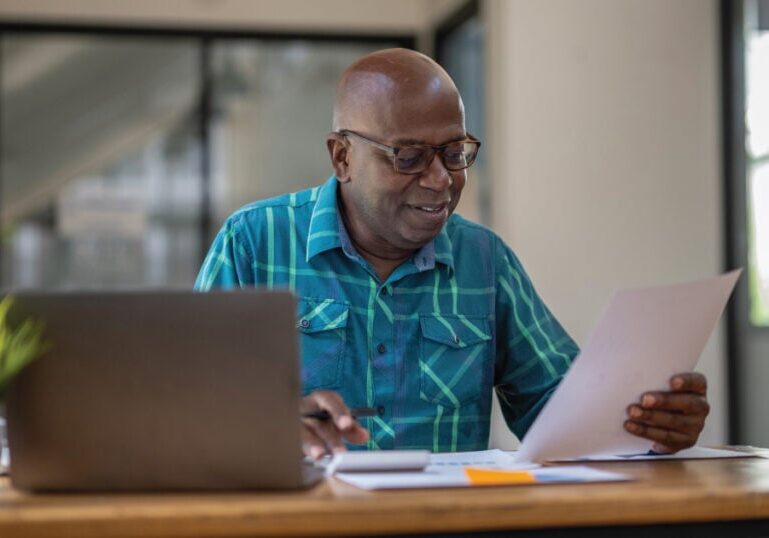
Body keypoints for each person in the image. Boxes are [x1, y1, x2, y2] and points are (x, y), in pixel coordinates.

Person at [195, 49, 710, 459]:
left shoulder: (485, 262)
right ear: (342, 156)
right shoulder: (254, 244)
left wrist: (647, 423)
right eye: (410, 156)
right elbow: (184, 413)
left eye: (455, 153)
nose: (441, 179)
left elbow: (564, 419)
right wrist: (266, 423)